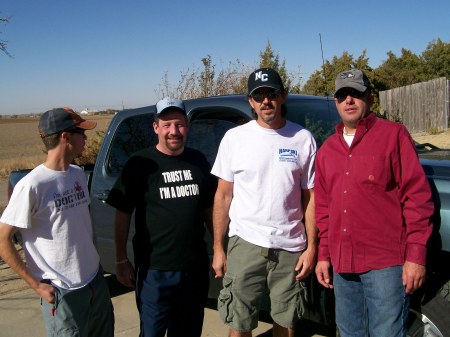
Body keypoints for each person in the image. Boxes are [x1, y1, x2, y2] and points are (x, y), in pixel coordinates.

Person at [314, 69, 434, 337]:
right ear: (335, 101)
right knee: (348, 332)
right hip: (343, 266)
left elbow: (417, 197)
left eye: (355, 94)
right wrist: (323, 255)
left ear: (369, 98)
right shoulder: (326, 151)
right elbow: (323, 210)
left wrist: (416, 256)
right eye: (342, 95)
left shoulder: (393, 136)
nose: (349, 100)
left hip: (385, 265)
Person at [211, 67, 317, 337]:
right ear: (251, 102)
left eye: (271, 93)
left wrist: (311, 247)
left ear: (283, 96)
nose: (265, 101)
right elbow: (223, 196)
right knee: (239, 322)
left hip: (290, 247)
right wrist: (218, 248)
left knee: (287, 321)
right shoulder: (235, 139)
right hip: (245, 243)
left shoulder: (303, 139)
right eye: (259, 96)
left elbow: (311, 198)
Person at [106, 97, 217, 337]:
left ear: (187, 126)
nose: (173, 131)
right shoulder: (140, 164)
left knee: (189, 331)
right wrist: (120, 259)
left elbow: (209, 208)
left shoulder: (198, 161)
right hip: (154, 272)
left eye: (179, 124)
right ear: (156, 127)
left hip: (193, 269)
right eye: (166, 125)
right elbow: (122, 213)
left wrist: (219, 248)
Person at [0, 107, 114, 337]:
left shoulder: (77, 173)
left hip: (95, 282)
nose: (85, 138)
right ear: (65, 137)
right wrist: (35, 284)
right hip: (63, 292)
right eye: (81, 133)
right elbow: (3, 239)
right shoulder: (32, 185)